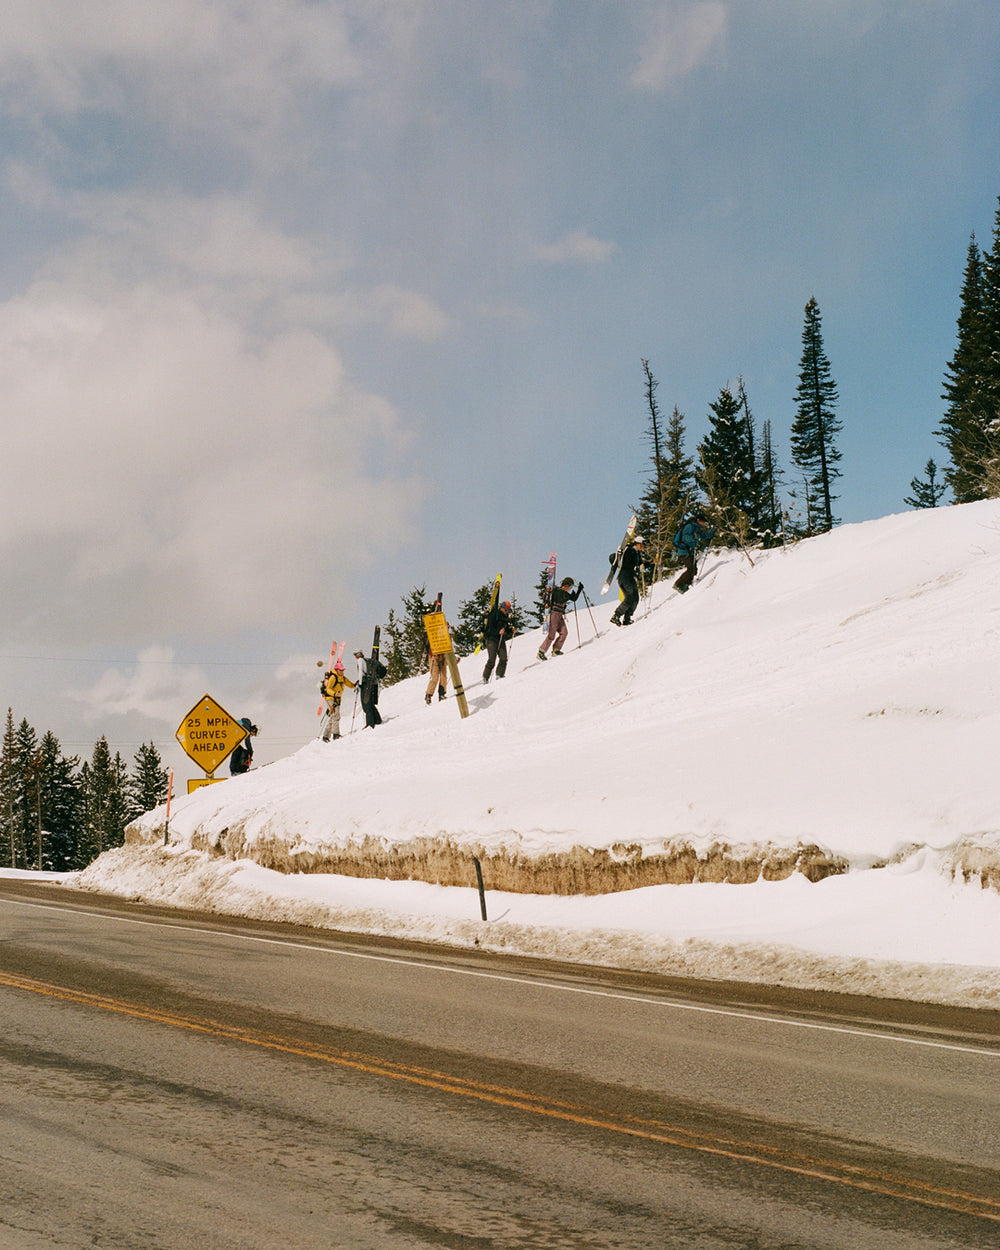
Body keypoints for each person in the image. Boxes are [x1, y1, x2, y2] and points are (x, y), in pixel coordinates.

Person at [538, 578, 582, 660]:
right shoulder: (557, 591)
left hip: (559, 615)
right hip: (554, 614)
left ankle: (556, 650)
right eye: (570, 586)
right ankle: (541, 652)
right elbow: (560, 599)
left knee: (564, 632)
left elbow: (574, 598)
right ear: (566, 585)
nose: (571, 588)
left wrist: (579, 590)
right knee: (551, 635)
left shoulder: (565, 593)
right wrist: (569, 596)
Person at [610, 536, 650, 626]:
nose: (643, 547)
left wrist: (649, 564)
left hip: (630, 577)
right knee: (630, 597)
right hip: (624, 576)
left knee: (635, 598)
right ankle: (616, 616)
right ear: (638, 544)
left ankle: (627, 618)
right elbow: (626, 563)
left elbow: (640, 564)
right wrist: (636, 568)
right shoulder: (629, 551)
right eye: (642, 545)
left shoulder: (637, 554)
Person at [673, 511, 714, 594]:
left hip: (690, 551)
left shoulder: (697, 528)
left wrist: (712, 532)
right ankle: (678, 584)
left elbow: (704, 536)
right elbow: (686, 537)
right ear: (698, 520)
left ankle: (686, 585)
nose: (704, 523)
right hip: (684, 551)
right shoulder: (690, 526)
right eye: (703, 521)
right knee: (691, 569)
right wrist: (693, 539)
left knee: (694, 570)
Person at [320, 660, 356, 741]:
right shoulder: (333, 677)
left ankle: (326, 736)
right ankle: (336, 735)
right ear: (336, 670)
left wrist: (355, 685)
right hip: (330, 698)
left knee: (333, 716)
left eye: (343, 670)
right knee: (336, 716)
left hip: (337, 699)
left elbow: (350, 684)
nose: (342, 671)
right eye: (340, 670)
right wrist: (334, 693)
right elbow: (328, 689)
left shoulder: (342, 678)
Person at [423, 600, 450, 705]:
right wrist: (432, 655)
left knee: (443, 676)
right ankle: (428, 694)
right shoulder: (435, 634)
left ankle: (442, 693)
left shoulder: (447, 637)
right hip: (434, 656)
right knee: (435, 677)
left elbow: (449, 649)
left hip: (443, 656)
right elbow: (430, 646)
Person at [483, 599, 515, 682]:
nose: (507, 612)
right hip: (491, 639)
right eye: (506, 610)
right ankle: (485, 678)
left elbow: (505, 628)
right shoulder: (495, 614)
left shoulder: (505, 617)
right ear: (502, 608)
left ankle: (500, 675)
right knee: (492, 660)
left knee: (503, 658)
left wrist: (511, 630)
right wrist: (498, 631)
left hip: (500, 639)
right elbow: (490, 628)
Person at [356, 647, 387, 728]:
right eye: (355, 654)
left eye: (357, 654)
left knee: (366, 704)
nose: (356, 655)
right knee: (371, 703)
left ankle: (370, 723)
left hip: (366, 684)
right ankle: (377, 720)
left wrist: (359, 683)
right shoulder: (369, 661)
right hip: (374, 684)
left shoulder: (360, 661)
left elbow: (361, 673)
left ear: (361, 654)